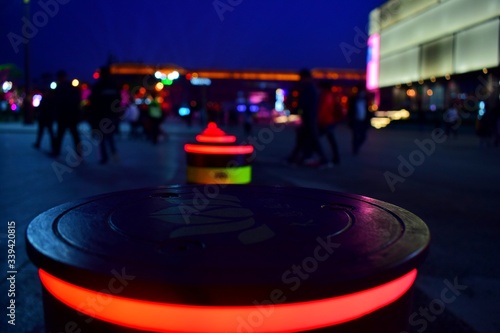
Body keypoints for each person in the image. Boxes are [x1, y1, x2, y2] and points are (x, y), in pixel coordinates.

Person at [287, 68, 327, 166]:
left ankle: (322, 160)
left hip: (309, 118)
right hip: (311, 117)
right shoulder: (313, 88)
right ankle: (297, 158)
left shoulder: (307, 88)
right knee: (305, 139)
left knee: (310, 139)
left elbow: (303, 102)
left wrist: (295, 111)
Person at [88, 66, 122, 164]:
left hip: (101, 115)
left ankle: (104, 157)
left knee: (102, 138)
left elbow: (93, 102)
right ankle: (114, 154)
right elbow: (118, 101)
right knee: (110, 136)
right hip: (111, 115)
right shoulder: (114, 86)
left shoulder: (98, 87)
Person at [52, 70, 83, 158]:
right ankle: (79, 152)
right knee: (75, 135)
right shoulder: (71, 87)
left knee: (60, 135)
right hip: (71, 115)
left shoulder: (59, 88)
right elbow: (77, 101)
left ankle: (56, 151)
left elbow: (57, 102)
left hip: (63, 115)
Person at [317, 81, 342, 165]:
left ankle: (324, 159)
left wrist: (318, 120)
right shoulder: (332, 95)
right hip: (330, 121)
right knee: (331, 140)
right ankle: (335, 158)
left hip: (326, 122)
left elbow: (323, 109)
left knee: (314, 139)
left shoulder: (325, 95)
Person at [347, 84, 370, 155]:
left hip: (363, 121)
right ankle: (355, 149)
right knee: (355, 136)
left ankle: (357, 146)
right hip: (356, 121)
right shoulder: (353, 100)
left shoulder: (366, 100)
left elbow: (368, 111)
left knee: (363, 136)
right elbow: (350, 111)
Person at [33, 86, 55, 151]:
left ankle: (39, 143)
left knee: (43, 131)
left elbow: (41, 108)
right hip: (46, 117)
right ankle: (53, 146)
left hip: (45, 117)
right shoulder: (49, 98)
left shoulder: (46, 99)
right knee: (49, 132)